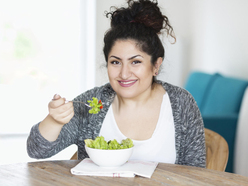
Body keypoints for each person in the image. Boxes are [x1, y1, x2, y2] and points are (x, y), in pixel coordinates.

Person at [27, 0, 206, 168]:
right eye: (115, 62)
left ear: (155, 65)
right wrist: (54, 120)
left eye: (135, 62)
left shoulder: (181, 103)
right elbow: (37, 150)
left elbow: (196, 173)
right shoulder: (91, 103)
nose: (124, 73)